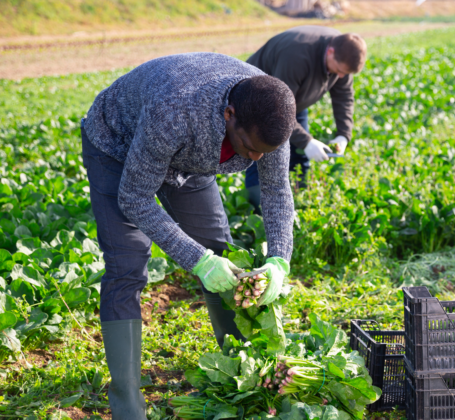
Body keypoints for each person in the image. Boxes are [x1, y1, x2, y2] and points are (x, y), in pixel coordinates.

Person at [81, 52, 296, 419]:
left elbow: (276, 191)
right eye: (250, 149)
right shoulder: (175, 113)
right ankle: (128, 404)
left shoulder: (269, 116)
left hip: (189, 156)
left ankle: (238, 375)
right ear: (229, 114)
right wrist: (197, 261)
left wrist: (279, 259)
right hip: (117, 147)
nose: (258, 159)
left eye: (267, 152)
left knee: (218, 247)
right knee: (127, 263)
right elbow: (134, 197)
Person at [243, 26, 367, 211]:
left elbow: (344, 97)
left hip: (293, 100)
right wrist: (307, 141)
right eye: (339, 70)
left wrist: (344, 134)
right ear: (331, 52)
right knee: (261, 155)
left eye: (345, 74)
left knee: (299, 158)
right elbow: (276, 110)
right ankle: (256, 213)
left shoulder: (343, 55)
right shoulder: (296, 56)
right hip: (259, 100)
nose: (341, 76)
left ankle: (297, 202)